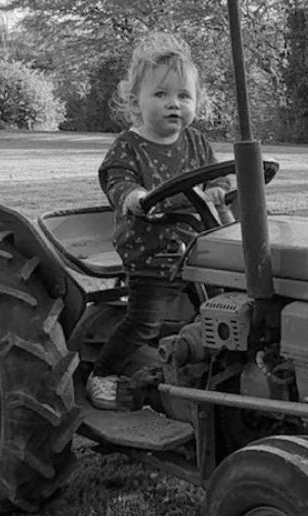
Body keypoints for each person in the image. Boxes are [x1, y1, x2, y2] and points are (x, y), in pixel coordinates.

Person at [87, 33, 231, 410]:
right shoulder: (129, 146)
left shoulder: (197, 143)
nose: (174, 104)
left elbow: (217, 177)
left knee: (222, 313)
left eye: (184, 96)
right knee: (144, 323)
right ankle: (101, 374)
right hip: (150, 252)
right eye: (162, 95)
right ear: (136, 100)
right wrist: (133, 197)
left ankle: (212, 378)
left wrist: (220, 188)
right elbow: (119, 181)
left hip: (200, 248)